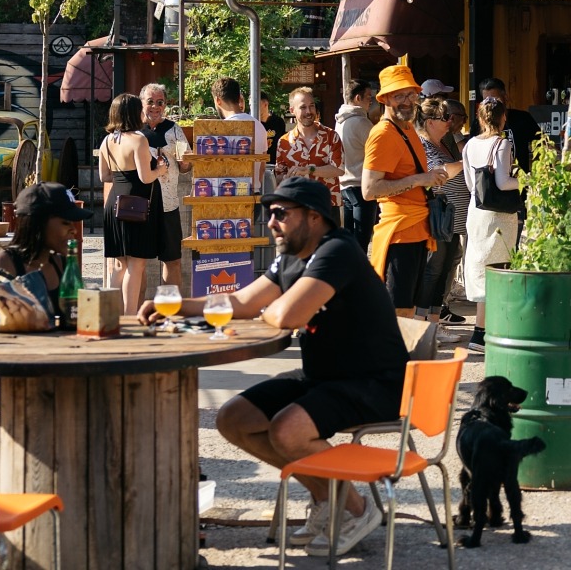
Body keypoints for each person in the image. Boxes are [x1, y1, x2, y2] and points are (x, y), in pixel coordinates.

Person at [137, 177, 406, 558]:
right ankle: (328, 501)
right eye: (268, 213)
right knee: (235, 418)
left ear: (314, 217)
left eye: (280, 213)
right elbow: (244, 302)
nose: (270, 222)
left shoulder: (336, 250)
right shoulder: (291, 255)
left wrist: (273, 311)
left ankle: (357, 509)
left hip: (374, 382)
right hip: (326, 376)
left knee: (286, 430)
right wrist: (177, 303)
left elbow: (286, 315)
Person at [361, 60, 447, 316]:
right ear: (385, 98)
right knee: (397, 311)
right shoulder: (382, 134)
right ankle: (391, 355)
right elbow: (369, 190)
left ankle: (401, 355)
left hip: (417, 230)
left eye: (412, 94)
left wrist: (430, 178)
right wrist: (420, 180)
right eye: (400, 95)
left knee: (407, 310)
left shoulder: (407, 129)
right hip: (399, 233)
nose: (408, 101)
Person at [460, 96, 521, 353]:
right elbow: (502, 182)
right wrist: (526, 180)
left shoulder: (469, 144)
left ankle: (480, 331)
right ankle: (494, 331)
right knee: (500, 268)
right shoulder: (502, 144)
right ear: (503, 117)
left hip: (476, 210)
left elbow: (469, 183)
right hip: (499, 214)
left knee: (482, 267)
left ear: (480, 117)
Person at [0, 182, 94, 318]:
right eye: (66, 223)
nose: (74, 230)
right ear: (38, 223)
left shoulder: (60, 264)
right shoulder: (4, 264)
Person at [98, 92, 168, 309]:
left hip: (114, 203)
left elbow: (105, 176)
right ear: (134, 113)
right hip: (135, 204)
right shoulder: (138, 139)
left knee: (119, 265)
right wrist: (161, 170)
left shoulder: (107, 140)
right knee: (135, 265)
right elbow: (145, 177)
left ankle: (113, 313)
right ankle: (129, 318)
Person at [416, 96, 469, 337]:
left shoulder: (443, 142)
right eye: (444, 118)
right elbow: (440, 173)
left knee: (444, 269)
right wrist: (465, 161)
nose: (449, 122)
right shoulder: (423, 144)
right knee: (433, 270)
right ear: (429, 122)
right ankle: (421, 325)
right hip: (437, 218)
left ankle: (435, 324)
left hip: (450, 219)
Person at [138, 82, 189, 289]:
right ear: (141, 103)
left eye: (160, 102)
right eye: (150, 102)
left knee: (173, 260)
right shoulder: (134, 131)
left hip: (169, 204)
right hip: (142, 205)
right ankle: (136, 313)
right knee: (137, 262)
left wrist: (185, 159)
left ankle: (171, 312)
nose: (155, 107)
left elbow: (185, 166)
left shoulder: (174, 129)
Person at [274, 87, 344, 200]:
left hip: (326, 204)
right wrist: (288, 177)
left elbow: (338, 169)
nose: (308, 111)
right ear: (292, 110)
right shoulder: (284, 142)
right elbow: (278, 176)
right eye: (303, 107)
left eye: (311, 106)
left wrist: (309, 170)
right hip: (297, 204)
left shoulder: (331, 136)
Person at [335, 79, 377, 251]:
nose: (371, 101)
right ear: (358, 98)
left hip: (344, 184)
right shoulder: (361, 123)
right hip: (361, 186)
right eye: (368, 97)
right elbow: (377, 152)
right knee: (361, 241)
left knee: (350, 239)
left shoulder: (340, 120)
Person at [212, 76, 268, 192]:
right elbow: (262, 168)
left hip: (227, 194)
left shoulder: (219, 130)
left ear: (218, 101)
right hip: (254, 193)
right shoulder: (259, 126)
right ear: (238, 98)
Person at [477, 78, 539, 175]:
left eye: (495, 100)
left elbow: (541, 145)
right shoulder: (477, 124)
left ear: (505, 97)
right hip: (490, 185)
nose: (491, 105)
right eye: (487, 101)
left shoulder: (523, 118)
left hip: (520, 184)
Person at [259, 93, 286, 167]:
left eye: (255, 104)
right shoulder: (252, 123)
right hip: (257, 165)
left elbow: (283, 144)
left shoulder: (278, 122)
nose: (252, 108)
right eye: (250, 105)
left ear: (265, 104)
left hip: (275, 165)